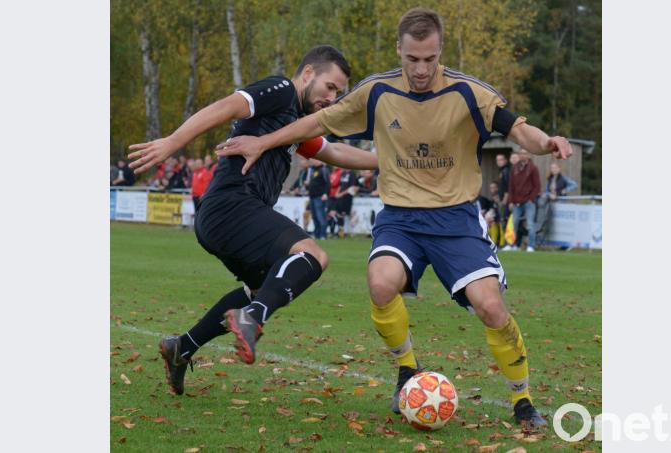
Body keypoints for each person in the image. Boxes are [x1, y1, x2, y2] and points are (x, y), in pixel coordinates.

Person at [217, 8, 572, 428]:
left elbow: (518, 130)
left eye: (430, 59)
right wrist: (263, 141)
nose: (421, 69)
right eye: (412, 59)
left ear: (439, 52)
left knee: (491, 307)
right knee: (381, 284)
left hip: (455, 219)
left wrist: (546, 141)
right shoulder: (377, 92)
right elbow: (316, 121)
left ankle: (523, 401)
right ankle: (408, 368)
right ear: (399, 51)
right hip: (400, 217)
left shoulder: (468, 92)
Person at [127, 45, 378, 396]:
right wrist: (173, 141)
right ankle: (254, 318)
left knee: (262, 288)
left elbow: (333, 151)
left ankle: (182, 347)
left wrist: (387, 162)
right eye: (330, 87)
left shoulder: (295, 122)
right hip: (233, 206)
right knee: (312, 256)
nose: (332, 98)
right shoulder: (282, 91)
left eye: (338, 92)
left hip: (222, 216)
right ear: (308, 74)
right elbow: (226, 106)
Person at [505, 150, 541, 252]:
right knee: (514, 223)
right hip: (516, 201)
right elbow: (511, 186)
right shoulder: (514, 168)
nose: (522, 155)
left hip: (529, 202)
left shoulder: (533, 168)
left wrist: (531, 199)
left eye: (524, 153)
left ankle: (531, 246)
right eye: (520, 153)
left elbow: (537, 186)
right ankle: (511, 245)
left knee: (530, 224)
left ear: (529, 155)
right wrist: (511, 201)